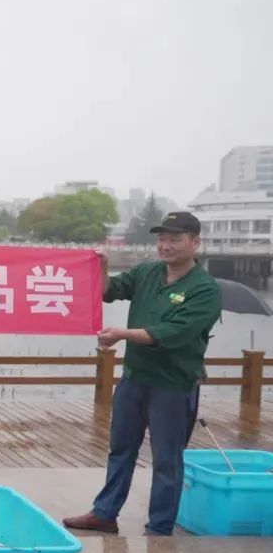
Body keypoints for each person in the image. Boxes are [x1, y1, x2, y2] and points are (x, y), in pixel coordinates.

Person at [64, 211, 222, 536]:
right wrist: (102, 265)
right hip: (135, 379)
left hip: (173, 386)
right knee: (121, 449)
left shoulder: (205, 290)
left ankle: (160, 527)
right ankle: (104, 513)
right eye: (162, 239)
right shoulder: (147, 272)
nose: (165, 245)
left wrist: (122, 334)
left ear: (195, 243)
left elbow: (172, 333)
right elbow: (106, 290)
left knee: (167, 459)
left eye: (175, 239)